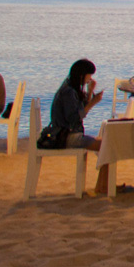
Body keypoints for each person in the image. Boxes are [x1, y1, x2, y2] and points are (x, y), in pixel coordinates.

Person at [49, 59, 114, 196]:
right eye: (89, 75)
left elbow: (79, 110)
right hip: (66, 136)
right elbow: (74, 118)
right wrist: (92, 103)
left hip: (68, 133)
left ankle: (103, 185)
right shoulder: (68, 92)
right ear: (82, 75)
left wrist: (90, 93)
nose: (90, 78)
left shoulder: (70, 87)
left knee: (106, 143)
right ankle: (103, 186)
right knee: (107, 146)